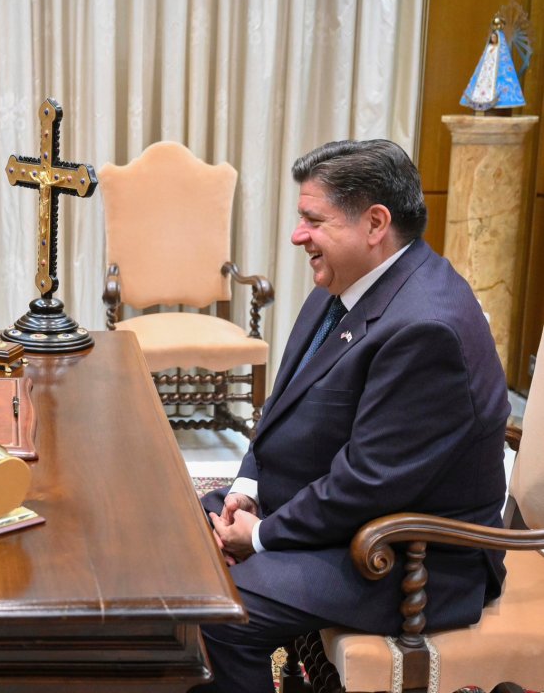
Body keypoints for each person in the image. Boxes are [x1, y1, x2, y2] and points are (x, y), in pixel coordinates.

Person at [195, 139, 510, 693]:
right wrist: (248, 484)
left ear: (374, 223)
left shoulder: (426, 327)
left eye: (312, 220)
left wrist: (263, 534)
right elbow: (286, 406)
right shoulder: (345, 284)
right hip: (338, 519)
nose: (298, 236)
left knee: (217, 614)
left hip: (408, 558)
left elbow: (369, 482)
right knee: (185, 531)